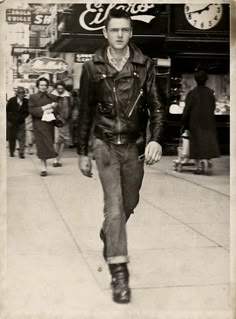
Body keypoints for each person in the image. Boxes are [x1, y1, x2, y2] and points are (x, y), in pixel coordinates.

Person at [77, 9, 164, 304]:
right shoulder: (91, 67)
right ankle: (119, 275)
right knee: (114, 207)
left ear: (131, 32)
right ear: (105, 32)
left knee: (128, 204)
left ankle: (108, 233)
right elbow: (85, 111)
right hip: (104, 146)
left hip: (134, 146)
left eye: (125, 30)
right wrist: (82, 152)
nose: (119, 35)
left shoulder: (145, 65)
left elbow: (158, 106)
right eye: (114, 30)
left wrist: (155, 140)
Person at [182, 70, 220, 174]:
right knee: (207, 143)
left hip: (195, 123)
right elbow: (213, 107)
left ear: (195, 80)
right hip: (208, 123)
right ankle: (207, 161)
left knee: (196, 145)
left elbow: (187, 110)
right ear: (206, 80)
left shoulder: (192, 93)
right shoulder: (210, 93)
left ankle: (198, 168)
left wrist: (184, 124)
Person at [28, 77, 58, 176]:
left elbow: (58, 111)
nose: (43, 87)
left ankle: (52, 161)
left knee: (49, 143)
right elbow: (32, 111)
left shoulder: (52, 97)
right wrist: (45, 108)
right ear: (38, 86)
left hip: (49, 124)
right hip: (39, 124)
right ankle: (43, 167)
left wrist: (53, 109)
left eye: (45, 85)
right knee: (41, 145)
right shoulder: (33, 97)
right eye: (41, 85)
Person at [51, 81, 73, 166]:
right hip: (55, 120)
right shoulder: (52, 95)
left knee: (62, 140)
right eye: (58, 88)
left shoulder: (68, 96)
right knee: (56, 140)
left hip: (65, 121)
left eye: (61, 88)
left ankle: (59, 159)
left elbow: (71, 107)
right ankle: (55, 159)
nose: (60, 90)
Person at [6, 87, 29, 158]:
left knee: (22, 138)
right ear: (17, 94)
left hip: (21, 122)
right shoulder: (12, 100)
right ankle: (12, 152)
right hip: (11, 122)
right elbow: (7, 111)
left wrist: (22, 117)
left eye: (22, 93)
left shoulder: (26, 101)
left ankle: (21, 153)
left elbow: (27, 112)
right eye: (19, 93)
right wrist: (10, 120)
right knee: (12, 138)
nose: (21, 95)